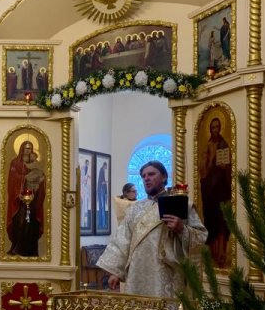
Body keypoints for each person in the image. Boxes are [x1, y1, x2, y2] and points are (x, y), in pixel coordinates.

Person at [97, 161, 207, 298]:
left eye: (151, 174)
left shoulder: (182, 205)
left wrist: (182, 230)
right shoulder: (135, 209)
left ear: (164, 177)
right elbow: (123, 240)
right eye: (143, 176)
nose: (146, 178)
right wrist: (116, 272)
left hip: (167, 274)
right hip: (137, 275)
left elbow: (201, 237)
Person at [199, 117, 232, 267]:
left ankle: (222, 254)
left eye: (217, 127)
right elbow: (202, 169)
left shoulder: (224, 144)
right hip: (209, 190)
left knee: (221, 222)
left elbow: (229, 167)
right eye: (213, 127)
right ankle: (212, 254)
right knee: (211, 221)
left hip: (221, 190)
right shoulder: (208, 145)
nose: (215, 130)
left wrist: (226, 167)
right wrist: (207, 162)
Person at [6, 140, 46, 256]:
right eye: (26, 148)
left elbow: (40, 174)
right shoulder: (15, 163)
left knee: (31, 223)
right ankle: (16, 247)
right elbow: (13, 178)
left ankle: (31, 250)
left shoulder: (35, 163)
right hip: (19, 200)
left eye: (30, 148)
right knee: (19, 222)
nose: (28, 151)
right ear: (22, 149)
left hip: (32, 199)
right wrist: (25, 178)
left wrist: (41, 179)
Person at [97, 161, 109, 230]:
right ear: (104, 165)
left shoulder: (102, 170)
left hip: (102, 190)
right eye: (106, 166)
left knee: (102, 207)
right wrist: (106, 182)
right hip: (102, 190)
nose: (106, 167)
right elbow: (101, 182)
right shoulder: (102, 170)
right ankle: (103, 224)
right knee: (102, 207)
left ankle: (102, 224)